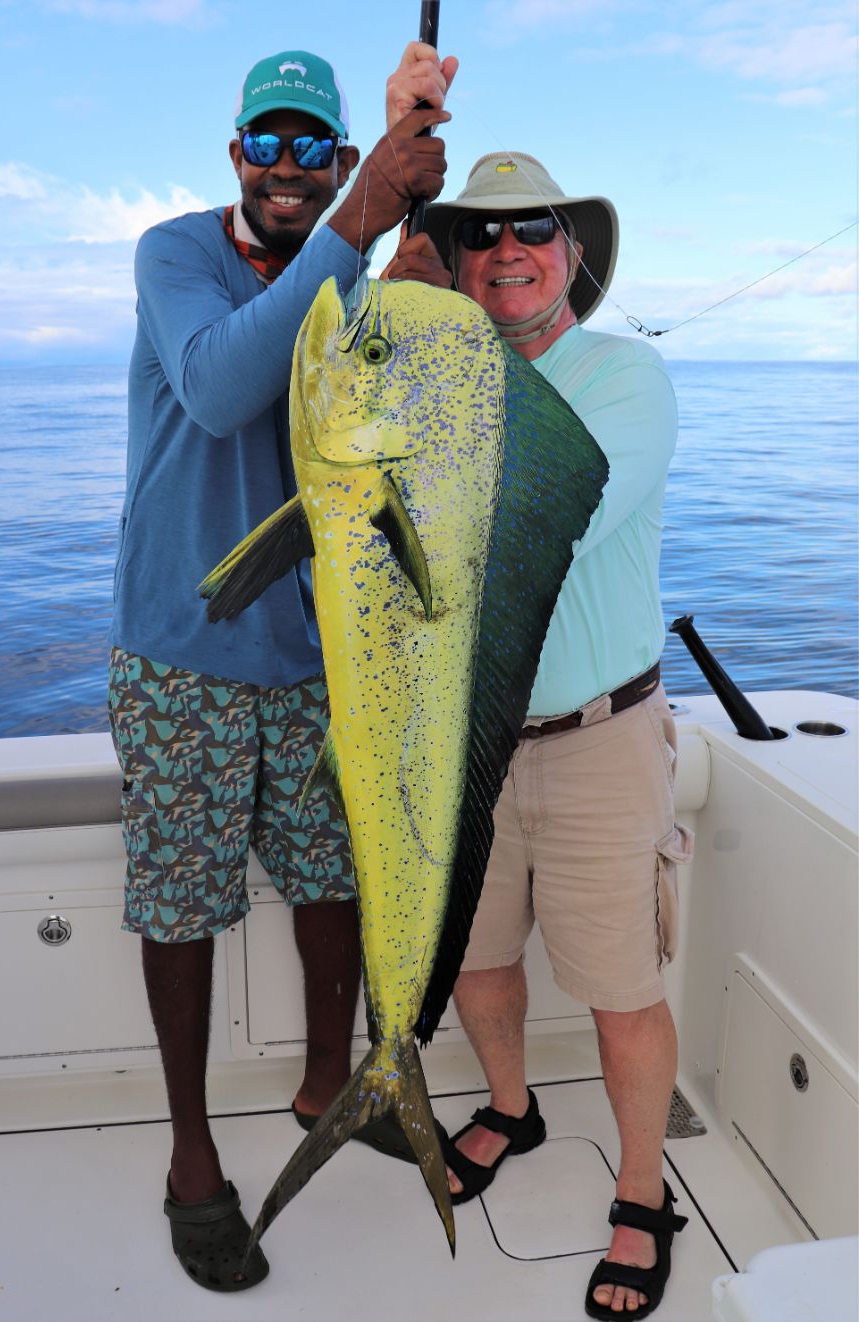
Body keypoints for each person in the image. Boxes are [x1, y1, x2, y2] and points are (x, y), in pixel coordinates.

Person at [108, 42, 457, 1293]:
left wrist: (412, 283)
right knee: (182, 904)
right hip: (182, 658)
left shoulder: (350, 273)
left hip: (322, 654)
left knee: (330, 882)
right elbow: (216, 387)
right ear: (238, 153)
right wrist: (360, 225)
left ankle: (335, 1083)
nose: (292, 169)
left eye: (320, 149)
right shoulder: (176, 255)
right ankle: (191, 1161)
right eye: (273, 143)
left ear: (342, 155)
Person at [390, 152, 694, 1319]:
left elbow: (537, 509)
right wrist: (400, 313)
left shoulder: (624, 374)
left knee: (620, 986)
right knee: (473, 957)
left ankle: (640, 1187)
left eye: (533, 230)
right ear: (461, 264)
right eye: (479, 236)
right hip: (459, 739)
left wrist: (430, 341)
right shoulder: (433, 378)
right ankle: (511, 1106)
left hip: (594, 740)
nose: (506, 249)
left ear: (569, 253)